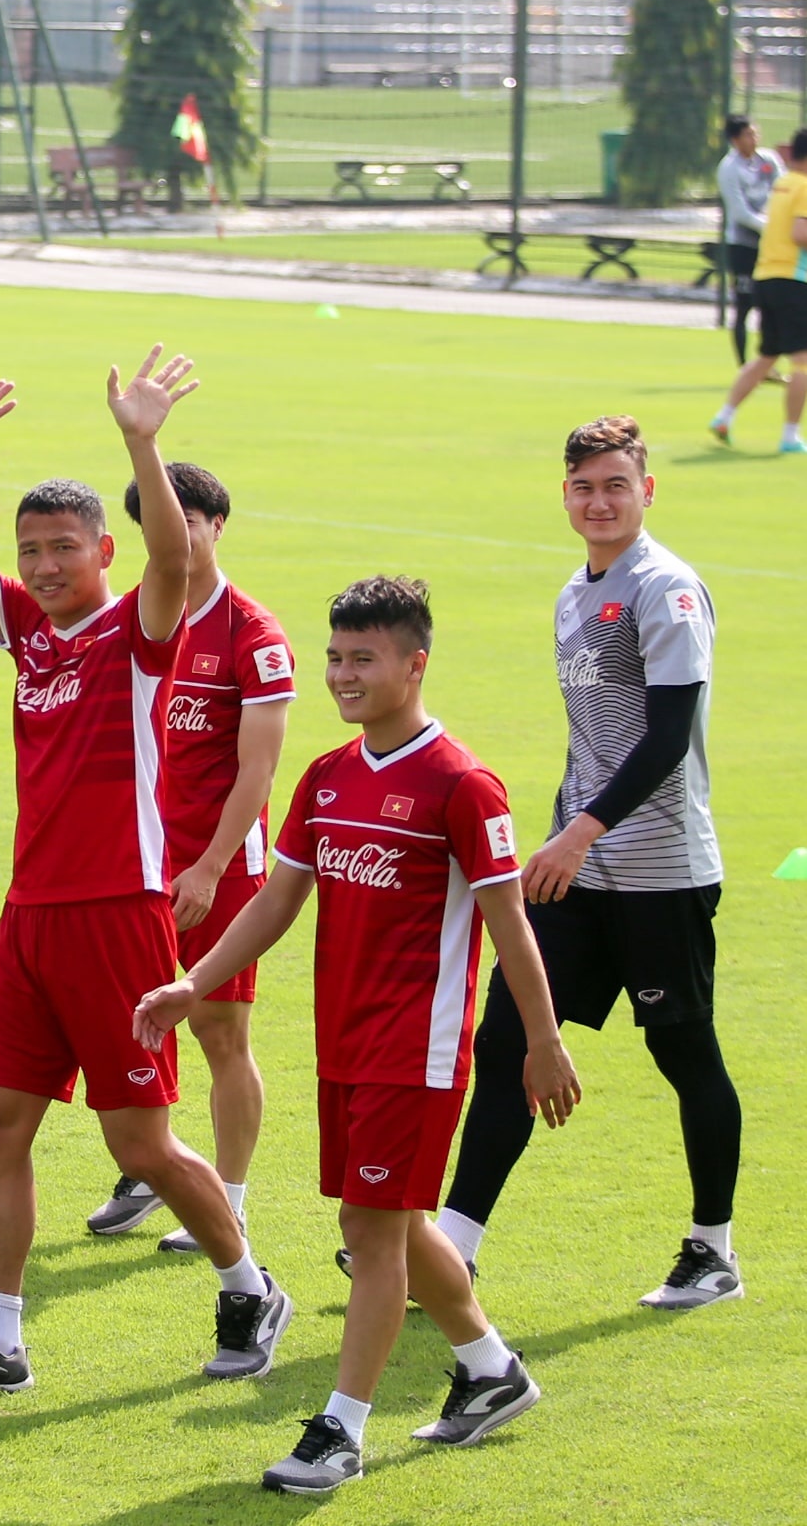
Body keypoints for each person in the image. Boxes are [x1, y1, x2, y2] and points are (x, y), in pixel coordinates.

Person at [0, 348, 294, 1398]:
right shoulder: (24, 631)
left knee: (141, 1142)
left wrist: (140, 439)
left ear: (100, 549)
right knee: (1, 1126)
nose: (41, 565)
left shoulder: (137, 631)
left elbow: (170, 558)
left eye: (62, 548)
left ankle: (246, 1283)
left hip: (118, 913)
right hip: (27, 915)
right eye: (29, 550)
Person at [137, 575, 580, 1495]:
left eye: (361, 658)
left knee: (369, 1233)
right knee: (396, 1219)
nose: (341, 674)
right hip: (341, 1042)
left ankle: (338, 1431)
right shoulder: (327, 777)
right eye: (334, 656)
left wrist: (542, 1040)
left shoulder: (462, 784)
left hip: (415, 1051)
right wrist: (193, 982)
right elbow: (275, 898)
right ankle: (491, 1367)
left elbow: (509, 925)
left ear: (413, 664)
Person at [440, 417, 745, 1310]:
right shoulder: (576, 590)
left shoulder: (666, 589)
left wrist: (583, 829)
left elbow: (665, 737)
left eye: (615, 484)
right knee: (506, 1039)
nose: (599, 501)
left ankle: (711, 1248)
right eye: (583, 487)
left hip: (658, 869)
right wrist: (568, 836)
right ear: (564, 494)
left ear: (647, 490)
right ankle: (453, 1243)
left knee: (683, 1050)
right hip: (575, 870)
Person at [84, 464, 293, 1253]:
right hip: (137, 860)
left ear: (216, 525)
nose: (179, 535)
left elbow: (259, 770)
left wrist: (206, 867)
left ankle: (227, 1198)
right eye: (161, 523)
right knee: (134, 1017)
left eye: (192, 520)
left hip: (220, 868)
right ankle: (151, 1168)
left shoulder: (253, 634)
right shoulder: (134, 615)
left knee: (217, 1030)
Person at [710, 127, 807, 454]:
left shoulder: (783, 183)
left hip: (767, 275)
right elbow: (800, 233)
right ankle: (790, 435)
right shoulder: (805, 186)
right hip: (792, 279)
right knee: (803, 362)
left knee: (768, 356)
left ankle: (724, 416)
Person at [712, 116, 781, 380]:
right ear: (735, 139)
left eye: (755, 133)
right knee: (744, 305)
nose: (754, 139)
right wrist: (772, 227)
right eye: (748, 135)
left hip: (769, 245)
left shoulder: (768, 160)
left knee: (768, 303)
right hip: (743, 245)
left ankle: (765, 366)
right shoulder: (729, 168)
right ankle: (744, 367)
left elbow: (782, 190)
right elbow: (739, 212)